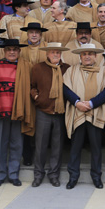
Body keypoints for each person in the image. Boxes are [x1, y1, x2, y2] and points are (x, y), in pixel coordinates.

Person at [0, 38, 33, 187]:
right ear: (4, 51)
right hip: (0, 110)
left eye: (15, 49)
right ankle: (0, 175)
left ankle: (14, 174)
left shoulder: (26, 66)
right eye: (9, 49)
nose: (12, 52)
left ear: (19, 51)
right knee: (0, 144)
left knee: (17, 144)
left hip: (18, 111)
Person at [63, 43, 105, 189]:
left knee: (96, 147)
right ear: (80, 56)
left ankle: (96, 176)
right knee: (76, 146)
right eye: (84, 54)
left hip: (95, 112)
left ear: (95, 56)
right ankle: (73, 176)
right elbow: (65, 88)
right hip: (77, 111)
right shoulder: (72, 70)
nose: (87, 56)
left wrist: (91, 103)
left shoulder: (104, 71)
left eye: (90, 53)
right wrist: (77, 102)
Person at [29, 42, 71, 187]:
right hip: (43, 111)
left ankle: (54, 174)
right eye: (52, 52)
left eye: (58, 53)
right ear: (47, 53)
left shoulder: (67, 69)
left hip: (60, 111)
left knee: (57, 145)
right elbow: (32, 87)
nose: (55, 55)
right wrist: (36, 97)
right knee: (40, 145)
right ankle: (38, 175)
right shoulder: (38, 68)